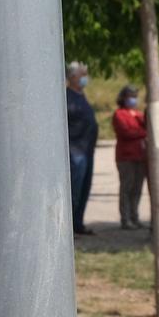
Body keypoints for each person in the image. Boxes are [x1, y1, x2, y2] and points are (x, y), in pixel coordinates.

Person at [66, 61, 97, 237]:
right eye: (82, 74)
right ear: (72, 77)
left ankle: (78, 223)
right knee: (74, 190)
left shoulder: (81, 95)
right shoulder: (67, 97)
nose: (85, 78)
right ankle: (69, 227)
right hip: (75, 151)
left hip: (86, 150)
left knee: (84, 188)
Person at [112, 85, 149, 228]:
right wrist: (144, 133)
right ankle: (125, 218)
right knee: (127, 187)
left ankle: (135, 216)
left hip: (140, 156)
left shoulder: (138, 114)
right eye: (130, 96)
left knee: (137, 188)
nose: (133, 99)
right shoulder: (119, 114)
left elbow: (147, 124)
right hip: (126, 157)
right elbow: (126, 133)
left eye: (135, 96)